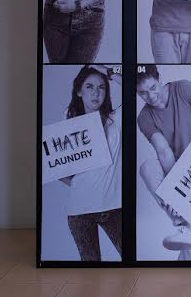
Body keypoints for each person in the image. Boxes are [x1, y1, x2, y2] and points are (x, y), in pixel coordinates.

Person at [136, 65, 191, 259]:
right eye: (143, 93)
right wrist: (176, 194)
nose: (151, 97)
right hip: (176, 170)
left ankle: (187, 226)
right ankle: (186, 222)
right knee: (147, 167)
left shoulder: (183, 88)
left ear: (160, 79)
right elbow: (163, 150)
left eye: (153, 88)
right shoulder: (144, 117)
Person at [58, 65, 122, 261]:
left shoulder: (115, 120)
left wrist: (109, 73)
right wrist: (82, 183)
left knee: (130, 258)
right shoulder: (69, 120)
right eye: (89, 87)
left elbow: (135, 90)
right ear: (79, 91)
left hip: (113, 208)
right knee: (91, 267)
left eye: (101, 87)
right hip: (80, 211)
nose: (96, 93)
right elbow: (57, 167)